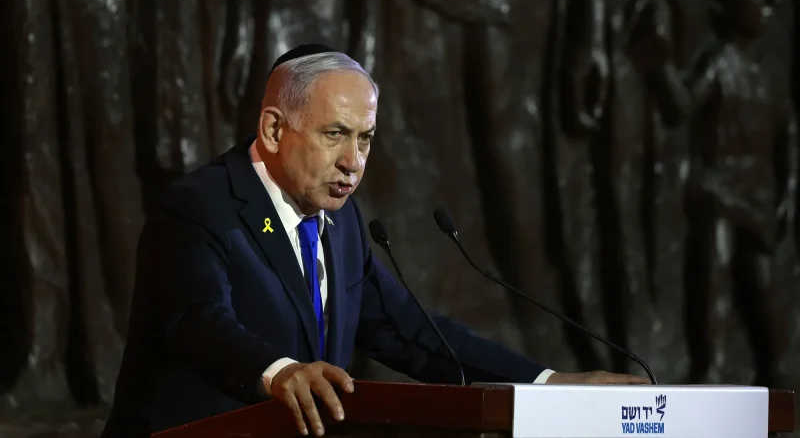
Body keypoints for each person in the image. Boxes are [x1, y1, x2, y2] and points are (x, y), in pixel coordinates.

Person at [102, 44, 648, 438]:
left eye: (364, 138)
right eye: (335, 134)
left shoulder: (340, 223)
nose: (353, 161)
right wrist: (279, 372)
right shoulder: (201, 206)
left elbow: (412, 333)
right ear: (273, 130)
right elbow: (197, 320)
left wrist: (544, 385)